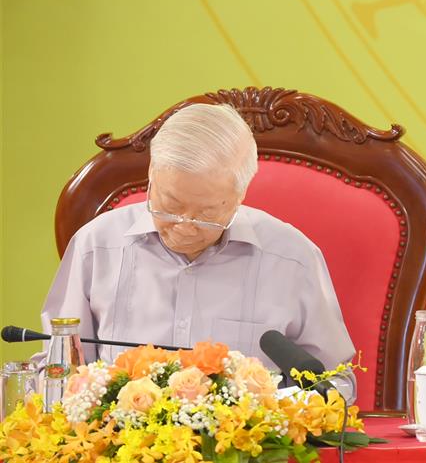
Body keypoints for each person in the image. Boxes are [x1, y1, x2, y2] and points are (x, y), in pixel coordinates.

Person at [39, 103, 357, 403]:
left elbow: (336, 384)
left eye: (206, 214)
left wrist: (272, 408)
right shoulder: (96, 247)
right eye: (170, 206)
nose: (185, 227)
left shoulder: (292, 259)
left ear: (240, 195)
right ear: (151, 177)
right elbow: (55, 374)